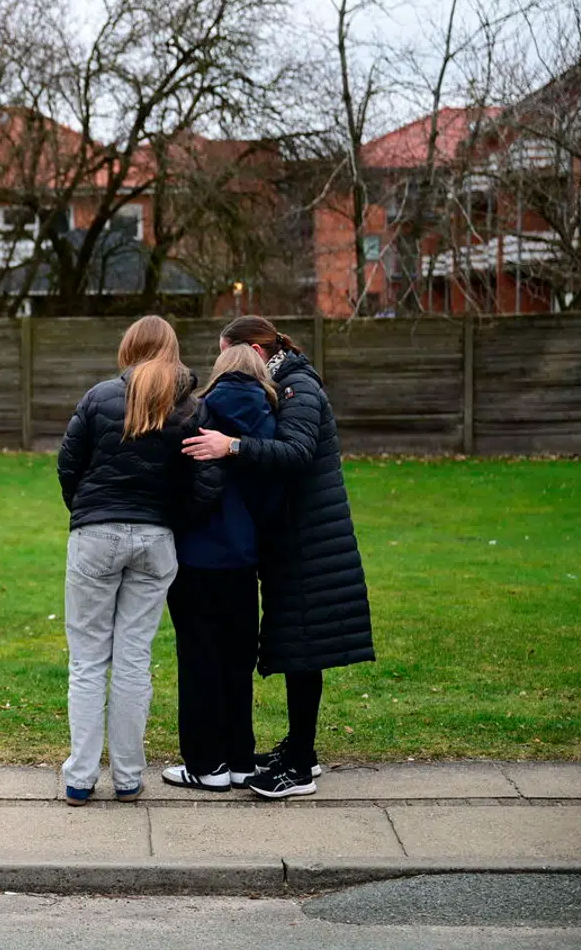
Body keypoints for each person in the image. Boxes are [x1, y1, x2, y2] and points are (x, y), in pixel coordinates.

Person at [182, 315, 374, 799]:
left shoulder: (298, 386)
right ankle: (298, 750)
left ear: (252, 350)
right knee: (294, 643)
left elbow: (296, 452)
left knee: (302, 646)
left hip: (311, 539)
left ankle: (300, 767)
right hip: (295, 536)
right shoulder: (285, 384)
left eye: (228, 352)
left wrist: (232, 446)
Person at [57, 315, 220, 806]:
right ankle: (128, 777)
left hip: (95, 535)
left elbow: (69, 464)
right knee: (133, 659)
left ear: (129, 347)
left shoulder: (99, 396)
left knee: (87, 661)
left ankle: (80, 777)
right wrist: (170, 519)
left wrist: (87, 512)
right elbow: (207, 483)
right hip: (155, 540)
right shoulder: (192, 406)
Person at [162, 344, 278, 793]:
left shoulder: (202, 412)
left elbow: (187, 482)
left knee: (198, 660)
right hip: (243, 558)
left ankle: (206, 763)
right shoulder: (268, 422)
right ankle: (241, 759)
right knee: (236, 661)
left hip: (198, 556)